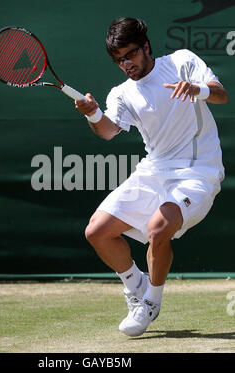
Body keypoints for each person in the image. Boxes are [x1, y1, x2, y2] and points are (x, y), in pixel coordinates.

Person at [75, 17, 228, 337]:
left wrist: (197, 89)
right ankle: (135, 285)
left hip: (199, 170)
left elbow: (220, 94)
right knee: (97, 231)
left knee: (159, 228)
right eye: (118, 59)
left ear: (146, 46)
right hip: (154, 170)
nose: (125, 64)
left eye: (129, 54)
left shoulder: (182, 62)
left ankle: (150, 302)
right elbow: (107, 131)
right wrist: (92, 113)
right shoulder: (121, 93)